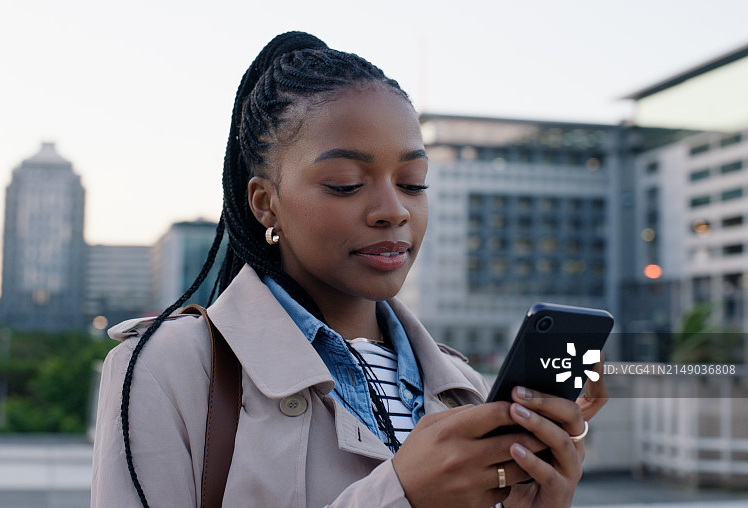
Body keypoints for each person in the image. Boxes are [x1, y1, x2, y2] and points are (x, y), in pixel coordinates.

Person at [91, 31, 609, 508]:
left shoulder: (468, 391)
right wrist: (400, 496)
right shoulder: (164, 368)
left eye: (413, 182)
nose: (394, 210)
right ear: (265, 203)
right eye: (345, 182)